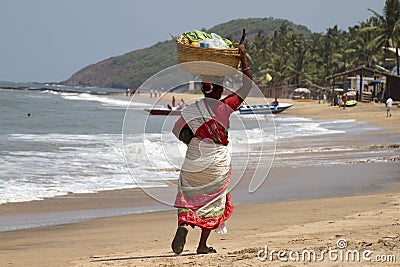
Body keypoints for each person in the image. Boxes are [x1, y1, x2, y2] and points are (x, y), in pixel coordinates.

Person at [171, 44, 252, 255]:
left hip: (194, 159)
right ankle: (202, 245)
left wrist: (197, 143)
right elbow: (248, 85)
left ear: (203, 89)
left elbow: (178, 130)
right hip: (216, 161)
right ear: (218, 90)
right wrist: (243, 58)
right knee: (213, 199)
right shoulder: (224, 107)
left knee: (189, 196)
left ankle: (183, 227)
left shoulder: (192, 109)